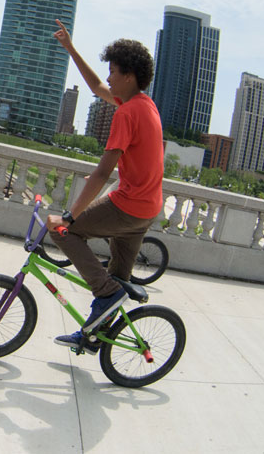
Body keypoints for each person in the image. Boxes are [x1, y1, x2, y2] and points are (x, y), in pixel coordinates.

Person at [47, 19, 164, 353]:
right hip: (147, 210)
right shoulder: (144, 104)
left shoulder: (126, 114)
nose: (109, 76)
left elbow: (100, 174)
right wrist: (70, 48)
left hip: (129, 205)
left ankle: (106, 293)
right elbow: (97, 86)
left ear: (128, 75)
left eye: (113, 71)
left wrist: (69, 218)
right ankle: (96, 335)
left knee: (62, 234)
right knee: (117, 277)